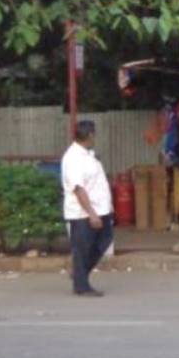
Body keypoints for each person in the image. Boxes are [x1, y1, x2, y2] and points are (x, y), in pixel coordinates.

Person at [61, 120, 114, 297]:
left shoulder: (87, 154)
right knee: (83, 249)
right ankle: (81, 285)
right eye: (94, 134)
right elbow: (78, 188)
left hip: (101, 209)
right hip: (83, 213)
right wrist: (91, 214)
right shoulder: (73, 158)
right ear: (90, 135)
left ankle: (79, 273)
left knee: (104, 240)